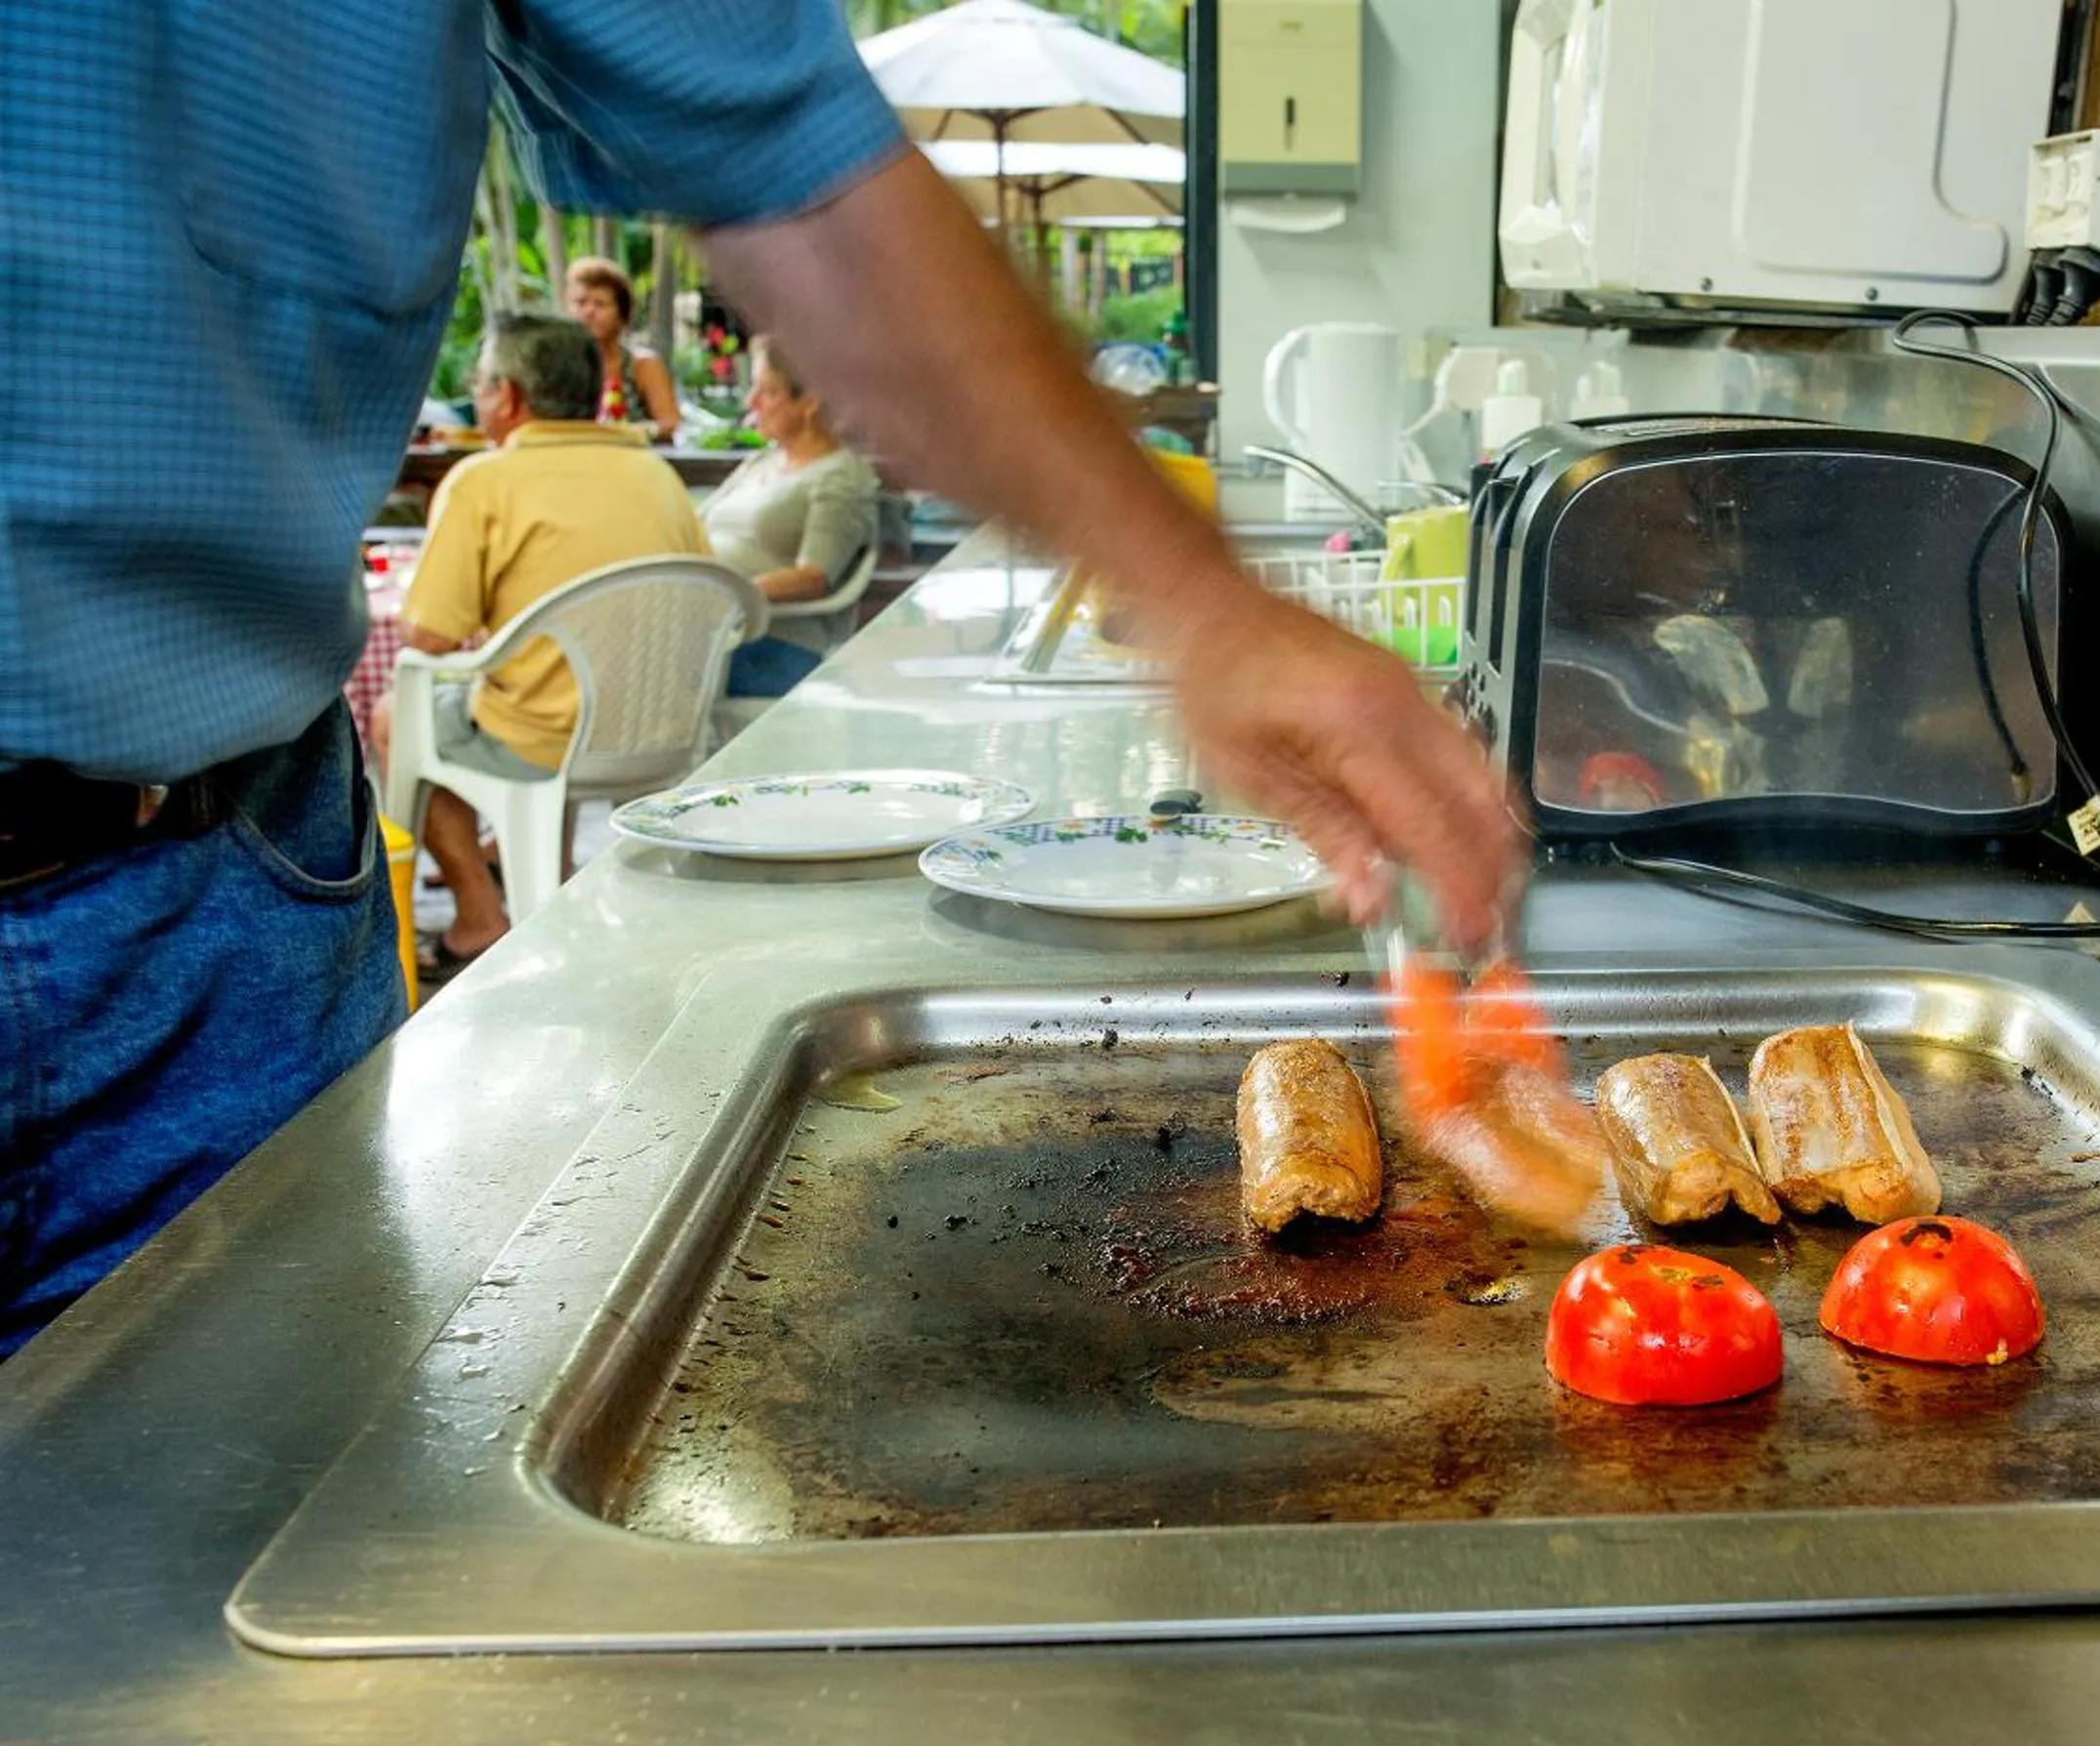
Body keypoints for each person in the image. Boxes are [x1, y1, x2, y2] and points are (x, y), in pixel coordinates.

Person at [0, 0, 1513, 1357]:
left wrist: (1209, 610)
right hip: (222, 874)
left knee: (249, 1591)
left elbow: (786, 145)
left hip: (207, 906)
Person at [374, 314, 711, 978]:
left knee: (398, 718)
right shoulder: (656, 475)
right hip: (662, 732)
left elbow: (430, 634)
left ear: (511, 396)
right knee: (504, 695)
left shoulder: (484, 480)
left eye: (480, 382)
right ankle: (538, 876)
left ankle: (480, 918)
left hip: (544, 739)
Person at [702, 336, 882, 697]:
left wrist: (728, 597)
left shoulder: (840, 476)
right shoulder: (761, 463)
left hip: (769, 641)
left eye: (767, 392)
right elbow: (694, 523)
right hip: (709, 632)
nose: (751, 403)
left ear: (811, 401)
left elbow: (814, 577)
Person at [565, 256, 682, 441]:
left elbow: (670, 423)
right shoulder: (558, 366)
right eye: (581, 303)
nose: (589, 312)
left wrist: (627, 432)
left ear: (621, 314)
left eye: (600, 304)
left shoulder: (643, 365)